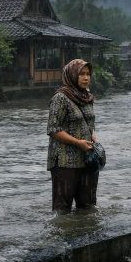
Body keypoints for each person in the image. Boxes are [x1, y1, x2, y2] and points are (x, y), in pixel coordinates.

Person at [46, 59, 99, 211]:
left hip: (87, 159)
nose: (86, 78)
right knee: (62, 210)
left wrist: (92, 135)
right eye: (81, 74)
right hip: (64, 161)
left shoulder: (87, 97)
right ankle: (64, 235)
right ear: (72, 75)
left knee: (88, 207)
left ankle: (87, 234)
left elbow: (89, 121)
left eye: (88, 74)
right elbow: (53, 129)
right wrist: (78, 142)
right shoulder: (61, 98)